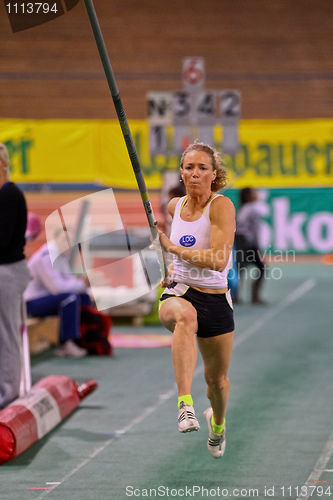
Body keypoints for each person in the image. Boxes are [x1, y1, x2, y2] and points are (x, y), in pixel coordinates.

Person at [157, 141, 235, 458]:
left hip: (216, 300)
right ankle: (184, 404)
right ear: (181, 172)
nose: (195, 174)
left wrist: (173, 249)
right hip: (180, 291)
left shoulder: (221, 206)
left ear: (213, 174)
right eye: (189, 167)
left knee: (217, 381)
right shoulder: (175, 207)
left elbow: (218, 259)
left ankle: (217, 426)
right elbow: (164, 246)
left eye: (202, 168)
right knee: (184, 317)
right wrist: (166, 264)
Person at [24, 228, 91, 358]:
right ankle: (66, 344)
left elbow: (69, 282)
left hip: (46, 299)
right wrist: (82, 284)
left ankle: (85, 339)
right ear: (55, 239)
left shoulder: (60, 256)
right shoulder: (47, 256)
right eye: (64, 239)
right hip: (31, 303)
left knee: (83, 297)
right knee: (70, 298)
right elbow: (57, 288)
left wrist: (83, 285)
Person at [0, 143, 31, 409]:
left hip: (8, 272)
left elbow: (3, 240)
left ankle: (8, 394)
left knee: (6, 332)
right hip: (6, 269)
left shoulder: (10, 195)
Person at [234, 187, 266, 305]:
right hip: (245, 242)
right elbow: (242, 225)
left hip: (246, 242)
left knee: (240, 269)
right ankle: (251, 296)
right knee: (242, 269)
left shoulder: (246, 208)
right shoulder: (249, 209)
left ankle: (239, 296)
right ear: (248, 196)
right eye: (253, 192)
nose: (256, 194)